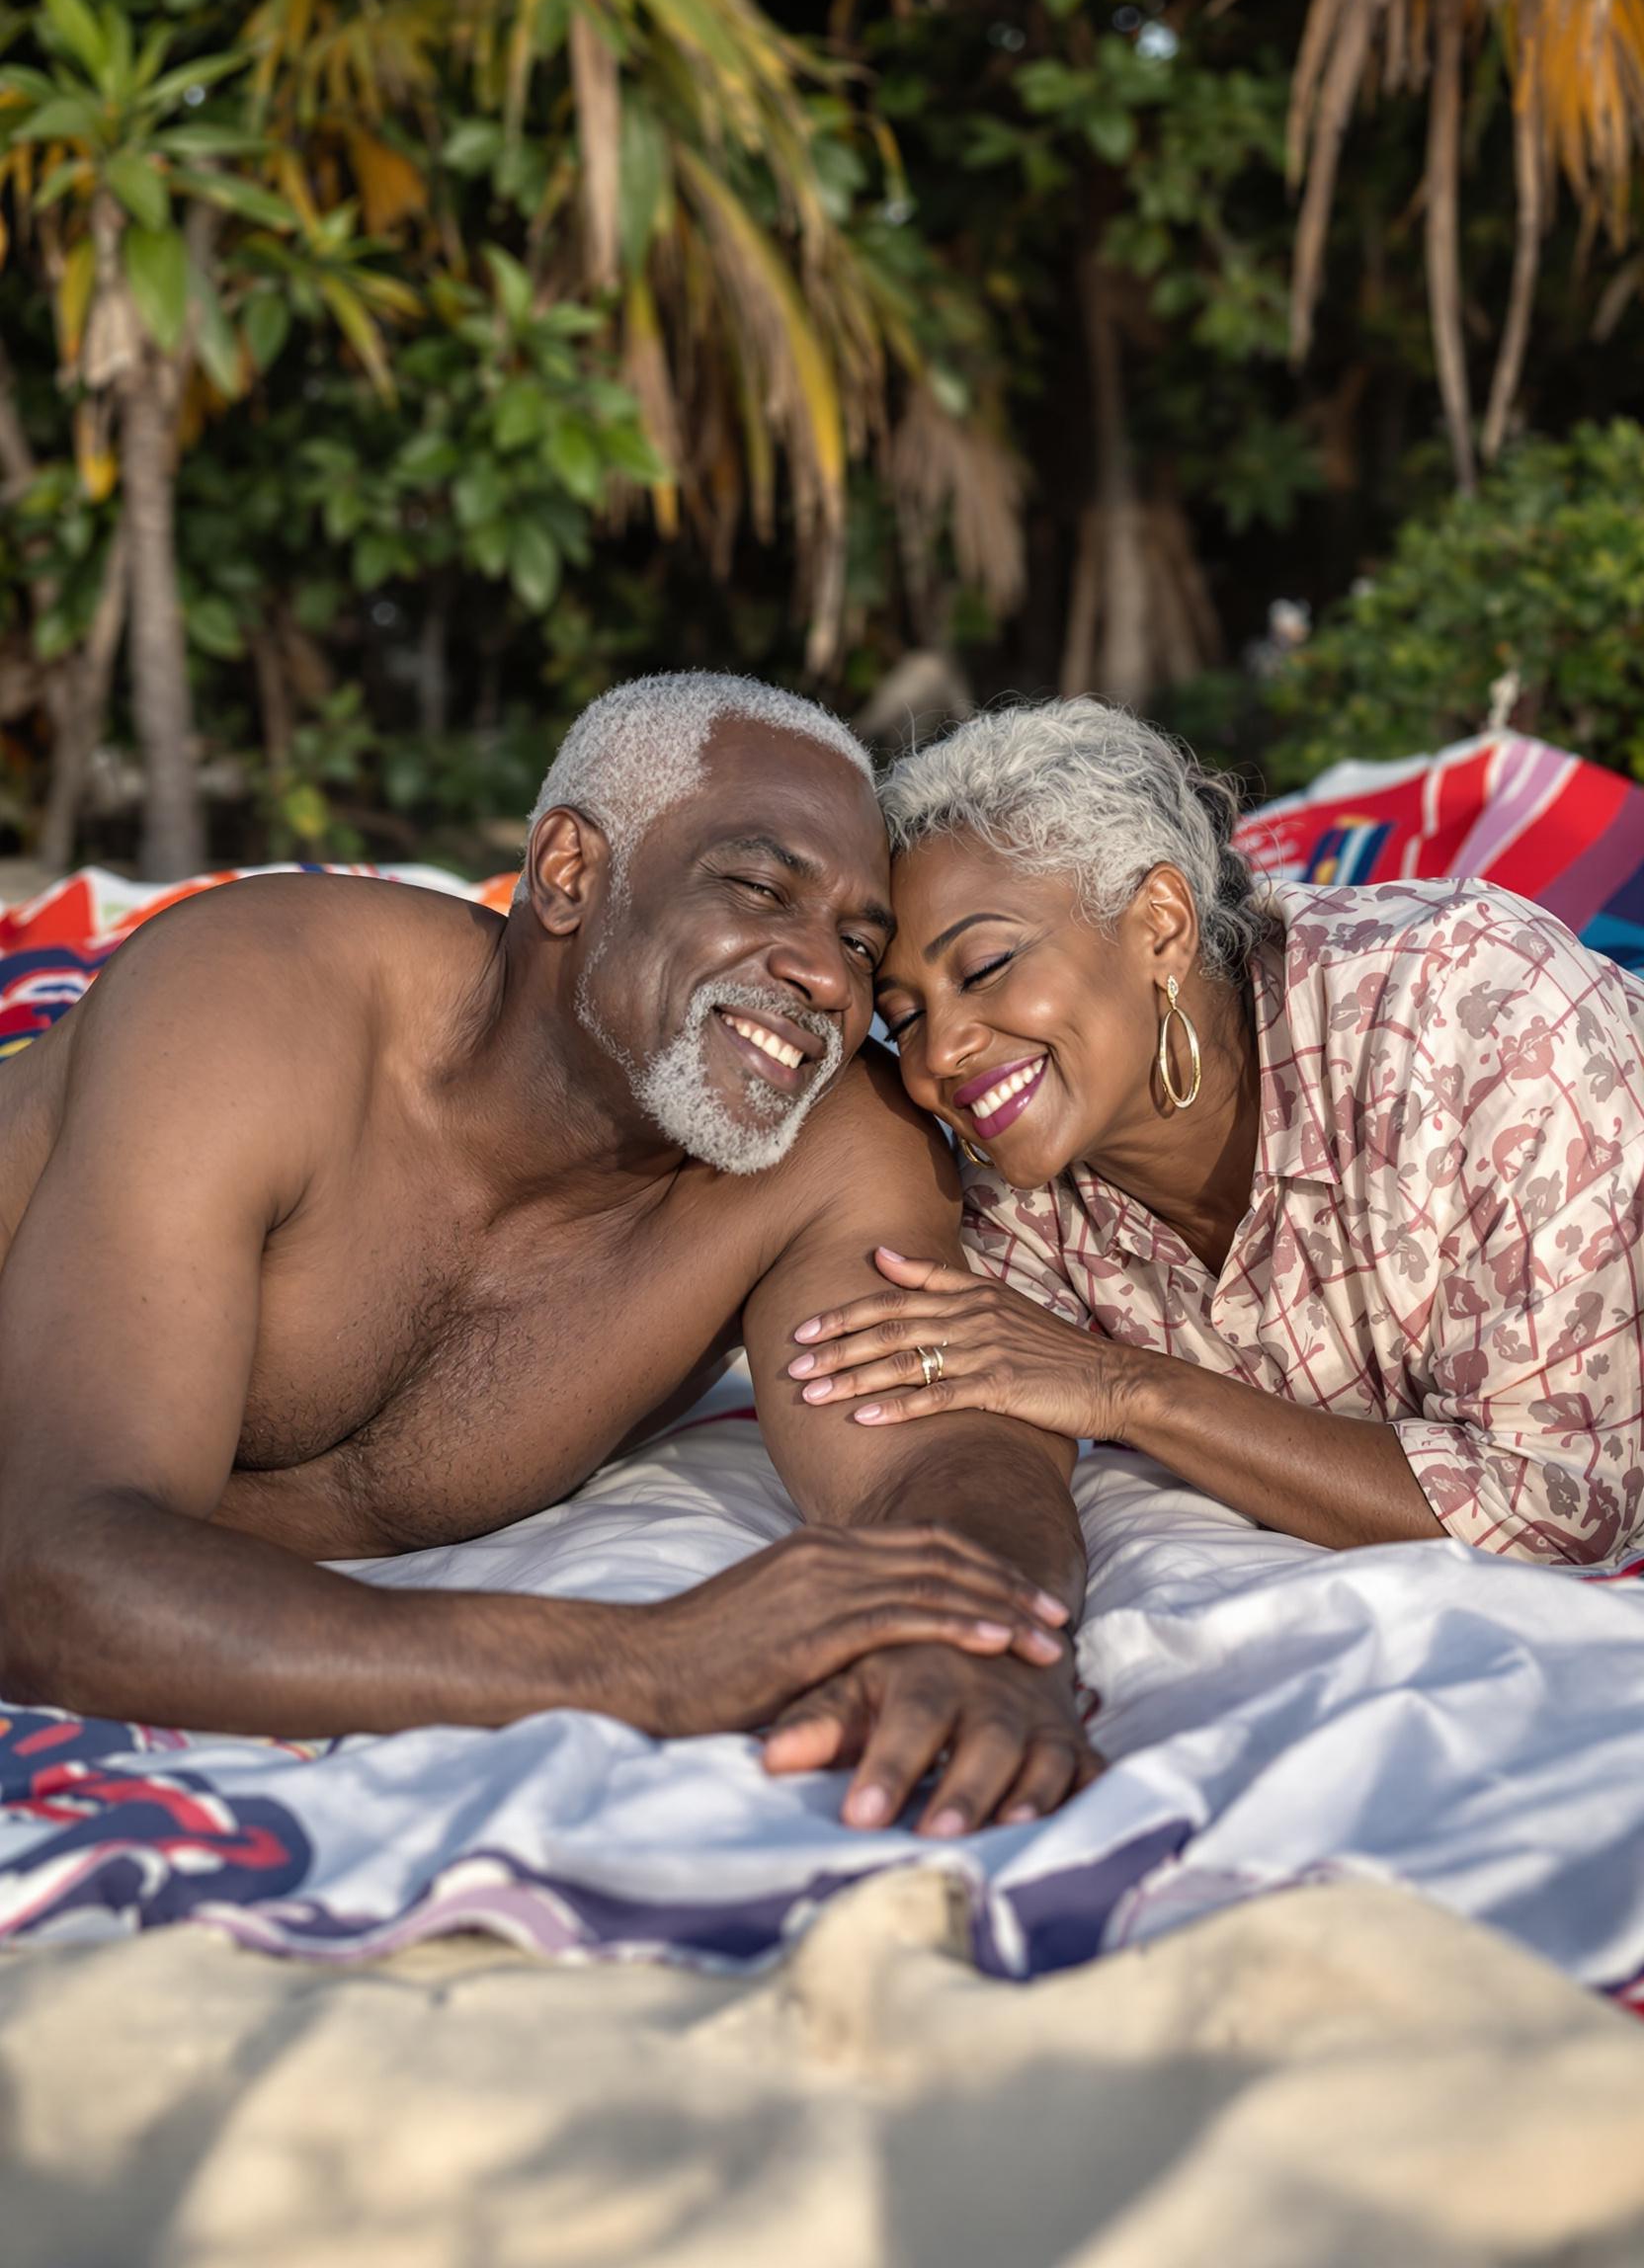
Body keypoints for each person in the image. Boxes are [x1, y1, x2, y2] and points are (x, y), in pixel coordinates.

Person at [0, 675, 1096, 1839]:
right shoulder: (258, 1005)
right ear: (569, 872)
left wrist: (977, 1632)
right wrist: (637, 1663)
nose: (826, 979)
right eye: (757, 887)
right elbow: (49, 1570)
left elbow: (942, 1448)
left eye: (856, 942)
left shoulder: (821, 1142)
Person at [785, 697, 1644, 1569]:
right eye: (906, 1016)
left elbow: (1561, 1507)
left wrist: (1128, 1390)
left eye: (985, 968)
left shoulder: (1471, 1016)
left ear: (1160, 924)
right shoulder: (1012, 1201)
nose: (942, 1052)